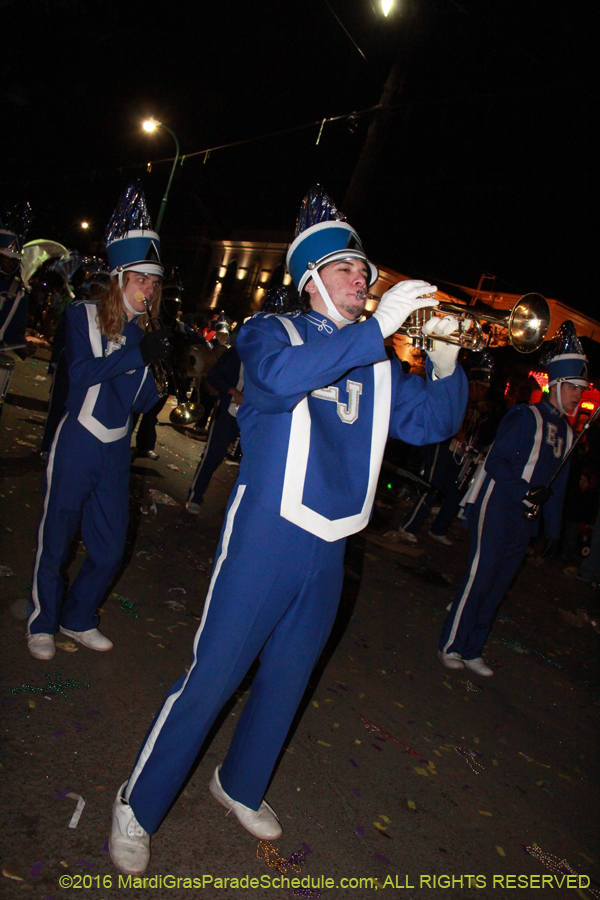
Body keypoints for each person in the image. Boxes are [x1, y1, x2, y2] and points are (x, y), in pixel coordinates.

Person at [108, 185, 468, 876]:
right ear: (310, 280)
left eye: (364, 270)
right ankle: (136, 800)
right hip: (267, 536)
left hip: (332, 543)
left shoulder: (375, 355)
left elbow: (429, 424)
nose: (361, 278)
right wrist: (377, 329)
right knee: (214, 674)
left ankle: (238, 783)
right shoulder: (270, 332)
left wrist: (447, 362)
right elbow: (276, 379)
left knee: (288, 677)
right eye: (346, 269)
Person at [26, 182, 171, 661]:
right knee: (58, 539)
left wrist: (161, 376)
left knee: (109, 551)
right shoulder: (84, 315)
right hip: (77, 441)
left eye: (154, 281)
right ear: (119, 277)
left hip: (114, 450)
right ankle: (42, 622)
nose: (148, 289)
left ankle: (77, 617)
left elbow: (141, 402)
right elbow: (83, 373)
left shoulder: (142, 333)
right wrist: (135, 352)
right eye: (140, 279)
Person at [438, 321, 588, 677]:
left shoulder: (568, 433)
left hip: (526, 519)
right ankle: (452, 643)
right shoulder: (526, 415)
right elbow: (496, 462)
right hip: (498, 506)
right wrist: (524, 491)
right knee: (482, 575)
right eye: (574, 388)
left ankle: (473, 648)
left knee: (501, 582)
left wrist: (551, 530)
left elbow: (558, 486)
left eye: (582, 390)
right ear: (557, 383)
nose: (577, 396)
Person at [397, 352, 504, 545]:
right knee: (432, 486)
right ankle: (408, 527)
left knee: (455, 491)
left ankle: (439, 528)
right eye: (481, 389)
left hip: (461, 454)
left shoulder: (482, 407)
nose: (484, 393)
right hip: (444, 446)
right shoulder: (459, 395)